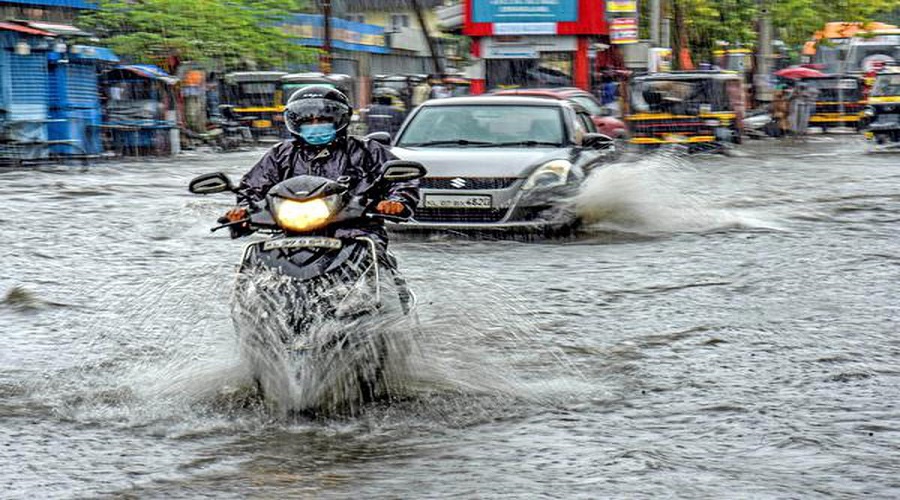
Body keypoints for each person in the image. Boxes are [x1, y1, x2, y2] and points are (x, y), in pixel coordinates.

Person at [224, 86, 419, 245]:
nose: (315, 124)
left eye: (323, 120)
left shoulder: (367, 150)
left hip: (356, 232)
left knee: (376, 257)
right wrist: (242, 209)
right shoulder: (280, 154)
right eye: (308, 121)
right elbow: (253, 187)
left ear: (339, 120)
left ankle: (389, 290)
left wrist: (395, 202)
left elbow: (402, 180)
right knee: (255, 259)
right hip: (290, 233)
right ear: (295, 123)